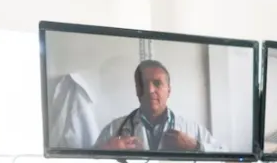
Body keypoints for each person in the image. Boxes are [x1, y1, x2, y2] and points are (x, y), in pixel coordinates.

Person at [94, 60, 222, 152]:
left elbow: (223, 155)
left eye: (157, 83)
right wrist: (108, 150)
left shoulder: (192, 129)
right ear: (137, 90)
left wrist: (196, 146)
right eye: (143, 84)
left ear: (169, 91)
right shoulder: (114, 130)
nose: (150, 90)